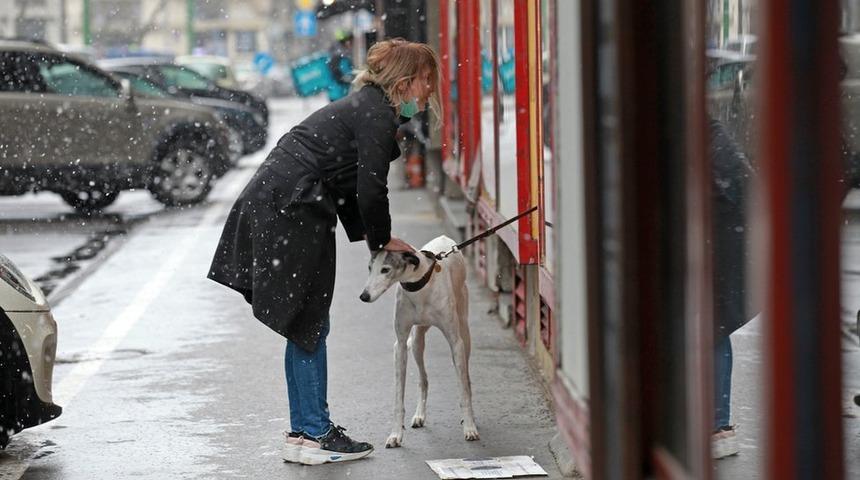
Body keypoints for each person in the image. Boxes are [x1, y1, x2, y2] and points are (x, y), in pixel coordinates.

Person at [207, 39, 442, 465]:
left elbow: (350, 185)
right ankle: (315, 433)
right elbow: (370, 188)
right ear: (406, 82)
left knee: (304, 322)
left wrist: (377, 240)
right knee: (310, 321)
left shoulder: (366, 106)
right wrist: (382, 238)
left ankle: (303, 433)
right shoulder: (375, 114)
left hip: (285, 202)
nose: (430, 91)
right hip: (292, 208)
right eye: (427, 81)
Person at [709, 117, 756, 459]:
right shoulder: (712, 137)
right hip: (729, 247)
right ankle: (717, 423)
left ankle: (718, 426)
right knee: (714, 328)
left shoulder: (707, 141)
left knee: (712, 327)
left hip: (726, 250)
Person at [327, 29, 355, 102]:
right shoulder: (338, 55)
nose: (351, 44)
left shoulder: (341, 54)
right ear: (345, 41)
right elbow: (335, 72)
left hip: (340, 93)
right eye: (350, 41)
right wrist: (346, 79)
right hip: (338, 94)